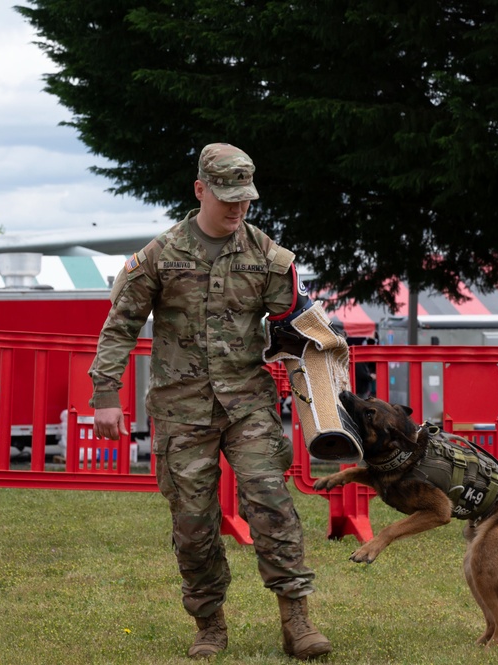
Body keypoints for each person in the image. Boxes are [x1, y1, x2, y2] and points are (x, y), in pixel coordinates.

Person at [88, 143, 331, 660]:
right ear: (200, 190)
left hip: (248, 404)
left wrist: (319, 345)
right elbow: (120, 325)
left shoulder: (267, 255)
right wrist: (106, 392)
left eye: (245, 198)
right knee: (193, 523)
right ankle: (209, 625)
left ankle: (297, 620)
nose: (238, 208)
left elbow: (292, 321)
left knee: (271, 505)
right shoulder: (161, 254)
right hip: (182, 410)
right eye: (227, 198)